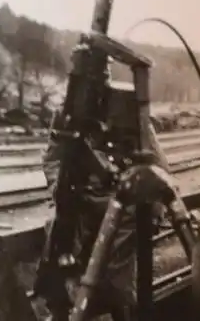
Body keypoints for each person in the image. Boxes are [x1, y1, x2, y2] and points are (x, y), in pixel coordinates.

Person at [39, 75, 170, 321]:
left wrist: (150, 203)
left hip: (120, 199)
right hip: (78, 197)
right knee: (57, 238)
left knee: (117, 271)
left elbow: (157, 165)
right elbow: (53, 158)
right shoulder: (66, 114)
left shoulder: (128, 111)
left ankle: (118, 307)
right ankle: (62, 307)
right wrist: (60, 186)